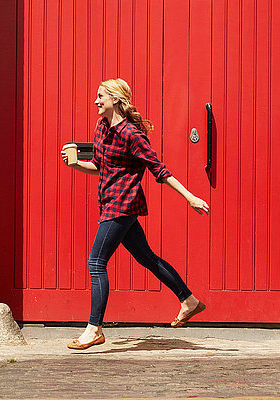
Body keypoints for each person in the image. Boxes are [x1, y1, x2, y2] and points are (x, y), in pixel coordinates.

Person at [60, 78, 210, 350]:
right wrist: (77, 165)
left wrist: (190, 197)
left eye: (100, 96)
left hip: (122, 203)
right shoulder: (102, 127)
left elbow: (159, 170)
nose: (96, 101)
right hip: (109, 201)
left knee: (96, 263)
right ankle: (188, 300)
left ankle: (94, 329)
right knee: (146, 257)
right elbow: (99, 166)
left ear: (115, 99)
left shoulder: (131, 134)